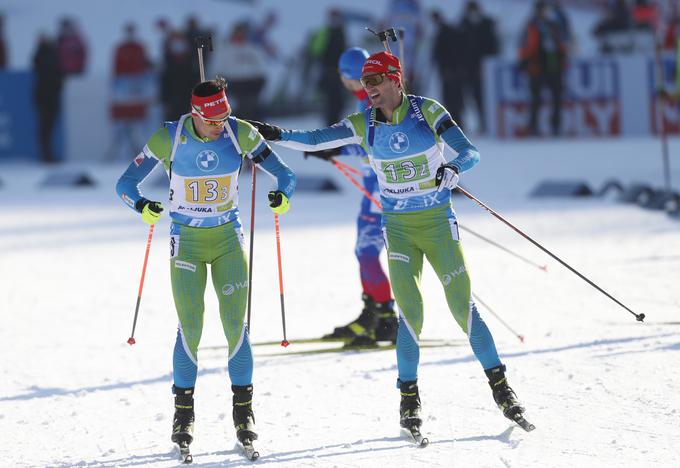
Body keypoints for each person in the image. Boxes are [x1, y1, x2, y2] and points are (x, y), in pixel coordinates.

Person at [248, 51, 528, 434]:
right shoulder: (364, 124)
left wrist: (454, 167)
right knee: (410, 315)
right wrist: (273, 132)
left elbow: (470, 151)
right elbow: (315, 139)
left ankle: (502, 388)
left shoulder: (427, 111)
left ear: (396, 79)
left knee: (463, 308)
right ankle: (408, 400)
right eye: (365, 83)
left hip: (438, 225)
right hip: (398, 229)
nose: (370, 90)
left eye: (376, 81)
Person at [116, 78, 296, 452]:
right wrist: (142, 206)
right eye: (212, 120)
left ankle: (243, 413)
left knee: (236, 326)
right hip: (187, 244)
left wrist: (283, 196)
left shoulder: (239, 134)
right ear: (196, 114)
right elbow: (125, 182)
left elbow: (286, 173)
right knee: (191, 327)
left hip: (228, 240)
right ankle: (184, 415)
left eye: (224, 117)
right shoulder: (170, 137)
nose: (220, 126)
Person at [305, 47, 398, 347]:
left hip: (381, 188)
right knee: (363, 250)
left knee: (368, 251)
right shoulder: (367, 101)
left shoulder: (369, 105)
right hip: (374, 185)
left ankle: (386, 320)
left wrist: (333, 148)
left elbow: (366, 144)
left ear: (345, 78)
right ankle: (373, 313)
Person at [518, 0, 568, 136]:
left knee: (557, 98)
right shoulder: (531, 26)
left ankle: (555, 126)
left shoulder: (554, 25)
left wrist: (563, 58)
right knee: (535, 99)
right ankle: (533, 127)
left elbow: (562, 43)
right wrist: (524, 61)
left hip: (553, 67)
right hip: (537, 67)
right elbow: (524, 45)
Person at [108, 22, 152, 161]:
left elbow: (145, 65)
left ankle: (142, 151)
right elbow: (116, 68)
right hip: (124, 85)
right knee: (124, 122)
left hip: (137, 84)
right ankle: (125, 153)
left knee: (139, 121)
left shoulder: (140, 47)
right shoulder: (120, 48)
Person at [458, 1, 499, 134]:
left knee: (485, 98)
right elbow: (460, 48)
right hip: (468, 69)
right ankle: (473, 123)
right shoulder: (463, 25)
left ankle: (486, 123)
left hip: (485, 69)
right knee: (469, 98)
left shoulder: (487, 24)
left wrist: (487, 65)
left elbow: (493, 47)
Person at [32, 33, 64, 164]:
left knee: (47, 127)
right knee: (45, 128)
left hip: (48, 96)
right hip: (45, 97)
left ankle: (47, 154)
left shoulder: (48, 56)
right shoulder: (44, 56)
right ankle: (46, 155)